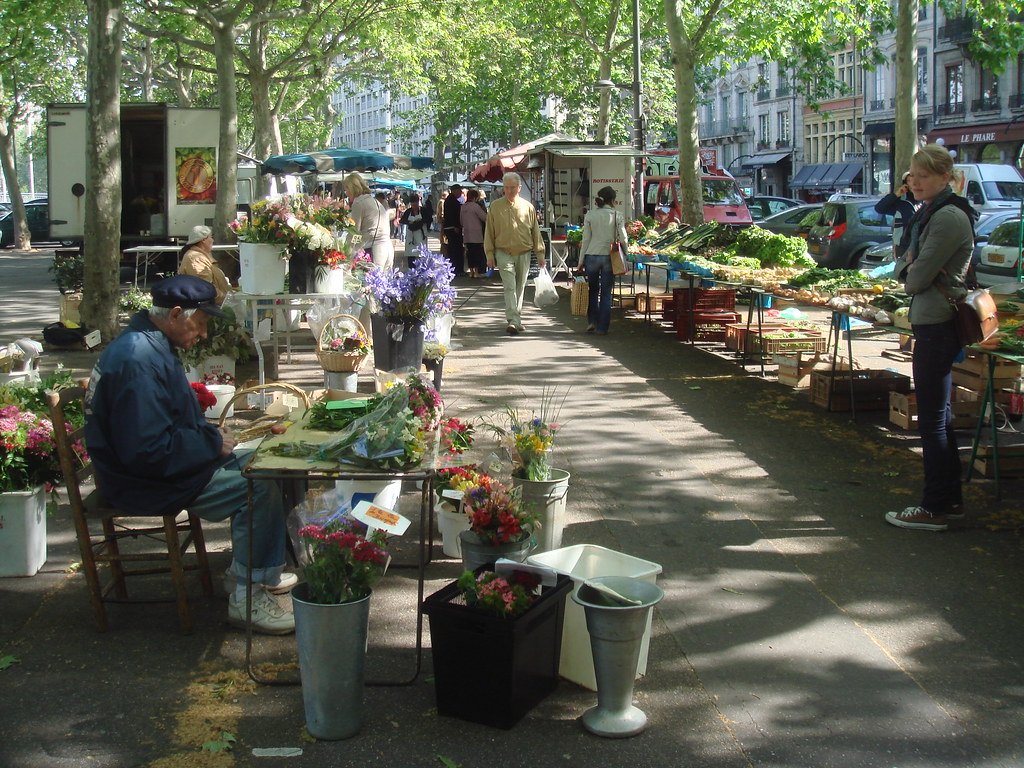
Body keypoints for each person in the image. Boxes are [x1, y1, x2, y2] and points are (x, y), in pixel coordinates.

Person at [84, 275, 296, 634]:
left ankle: (257, 572)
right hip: (143, 481)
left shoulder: (147, 345)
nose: (201, 334)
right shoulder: (138, 359)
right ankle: (248, 598)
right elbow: (147, 452)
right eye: (200, 324)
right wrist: (210, 445)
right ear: (176, 314)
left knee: (272, 462)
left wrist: (208, 435)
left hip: (158, 466)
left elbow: (160, 425)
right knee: (257, 486)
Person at [885, 144, 978, 533]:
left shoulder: (947, 217)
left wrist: (908, 270)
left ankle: (934, 507)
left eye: (924, 175)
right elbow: (904, 261)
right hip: (932, 320)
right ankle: (949, 500)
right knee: (939, 416)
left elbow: (916, 277)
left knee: (933, 420)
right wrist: (908, 267)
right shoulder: (931, 213)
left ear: (946, 178)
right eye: (913, 174)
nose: (916, 181)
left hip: (938, 322)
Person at [483, 172, 546, 335]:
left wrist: (540, 254)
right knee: (510, 286)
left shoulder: (528, 207)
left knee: (520, 287)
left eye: (512, 188)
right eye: (506, 188)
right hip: (503, 252)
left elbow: (535, 232)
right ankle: (512, 320)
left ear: (519, 188)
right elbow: (489, 232)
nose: (509, 191)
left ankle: (516, 319)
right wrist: (489, 254)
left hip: (524, 252)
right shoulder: (495, 207)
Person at [578, 186, 628, 335]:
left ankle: (592, 321)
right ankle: (602, 327)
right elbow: (623, 237)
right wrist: (626, 252)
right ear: (612, 200)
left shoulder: (590, 215)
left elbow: (585, 239)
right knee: (606, 293)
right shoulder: (617, 215)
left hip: (591, 255)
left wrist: (581, 261)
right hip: (608, 256)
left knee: (593, 290)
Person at [343, 175, 393, 269]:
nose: (346, 193)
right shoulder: (373, 200)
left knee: (370, 282)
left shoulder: (358, 203)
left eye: (346, 190)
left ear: (352, 188)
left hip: (375, 250)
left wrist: (347, 253)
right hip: (387, 248)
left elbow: (354, 232)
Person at [177, 225, 231, 305]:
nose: (212, 240)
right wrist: (227, 299)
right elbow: (205, 288)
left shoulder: (199, 256)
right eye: (211, 237)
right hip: (203, 311)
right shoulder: (196, 259)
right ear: (203, 240)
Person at [875, 170, 918, 257]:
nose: (912, 183)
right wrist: (896, 195)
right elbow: (879, 208)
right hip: (902, 245)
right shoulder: (900, 202)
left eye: (914, 180)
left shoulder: (924, 200)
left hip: (919, 244)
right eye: (909, 181)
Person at [460, 188, 488, 278]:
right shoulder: (475, 206)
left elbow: (461, 221)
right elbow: (484, 217)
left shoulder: (463, 207)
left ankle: (471, 271)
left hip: (467, 233)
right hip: (476, 233)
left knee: (470, 253)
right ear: (475, 197)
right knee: (477, 253)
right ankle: (477, 272)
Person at [400, 192, 432, 264]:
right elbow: (402, 220)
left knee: (421, 253)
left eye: (415, 204)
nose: (414, 206)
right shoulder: (408, 211)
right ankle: (411, 269)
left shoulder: (423, 210)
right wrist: (409, 222)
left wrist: (422, 221)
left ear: (418, 202)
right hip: (411, 235)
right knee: (411, 253)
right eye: (412, 204)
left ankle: (422, 268)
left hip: (421, 234)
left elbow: (430, 219)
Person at [442, 183, 465, 276]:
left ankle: (456, 268)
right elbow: (452, 215)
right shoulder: (451, 201)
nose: (460, 193)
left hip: (452, 227)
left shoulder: (452, 200)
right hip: (452, 228)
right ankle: (456, 269)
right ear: (455, 191)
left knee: (455, 249)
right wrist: (455, 226)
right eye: (459, 191)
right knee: (455, 249)